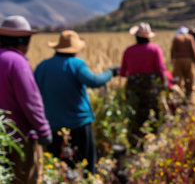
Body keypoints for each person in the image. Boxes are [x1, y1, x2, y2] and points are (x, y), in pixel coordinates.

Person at [34, 30, 117, 174]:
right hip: (78, 124)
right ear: (75, 49)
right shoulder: (76, 64)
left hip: (52, 126)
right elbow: (94, 81)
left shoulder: (42, 66)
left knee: (59, 167)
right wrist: (110, 73)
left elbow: (34, 92)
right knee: (84, 166)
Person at [0, 15, 52, 183]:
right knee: (23, 178)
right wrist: (43, 130)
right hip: (17, 137)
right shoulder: (17, 63)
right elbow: (31, 102)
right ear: (24, 41)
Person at [119, 22, 166, 145]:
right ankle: (152, 139)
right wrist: (164, 85)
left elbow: (123, 72)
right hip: (151, 86)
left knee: (135, 114)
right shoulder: (155, 49)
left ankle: (135, 140)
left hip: (133, 86)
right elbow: (161, 69)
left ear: (136, 36)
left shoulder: (128, 51)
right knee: (152, 111)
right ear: (149, 36)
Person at [171, 26, 195, 99]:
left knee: (177, 77)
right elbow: (193, 50)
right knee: (189, 76)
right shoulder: (190, 37)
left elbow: (173, 50)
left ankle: (177, 94)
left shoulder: (176, 38)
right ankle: (188, 93)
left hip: (178, 60)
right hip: (188, 60)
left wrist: (172, 60)